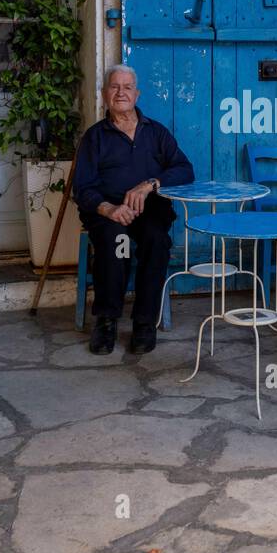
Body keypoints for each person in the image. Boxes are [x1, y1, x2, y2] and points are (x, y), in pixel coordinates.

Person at [74, 65, 194, 356]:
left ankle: (144, 323)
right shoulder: (95, 137)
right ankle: (106, 320)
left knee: (156, 241)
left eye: (127, 87)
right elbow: (83, 188)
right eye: (115, 87)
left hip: (149, 210)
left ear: (136, 94)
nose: (121, 93)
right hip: (109, 214)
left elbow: (184, 169)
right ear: (105, 94)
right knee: (118, 244)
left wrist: (150, 184)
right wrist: (109, 209)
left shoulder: (155, 132)